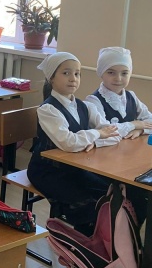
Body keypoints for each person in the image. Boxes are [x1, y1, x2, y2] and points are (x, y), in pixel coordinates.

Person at [26, 52, 142, 232]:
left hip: (76, 167)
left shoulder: (85, 106)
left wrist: (95, 140)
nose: (73, 78)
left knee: (113, 194)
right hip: (49, 171)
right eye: (66, 73)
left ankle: (107, 242)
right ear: (51, 78)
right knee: (90, 204)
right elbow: (69, 142)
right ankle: (84, 243)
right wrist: (97, 133)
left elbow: (113, 132)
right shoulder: (48, 109)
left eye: (77, 74)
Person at [85, 47, 152, 139]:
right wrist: (133, 125)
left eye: (124, 73)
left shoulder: (131, 96)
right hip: (106, 147)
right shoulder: (93, 101)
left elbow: (150, 119)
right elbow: (105, 130)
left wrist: (140, 130)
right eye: (111, 73)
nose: (118, 79)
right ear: (101, 73)